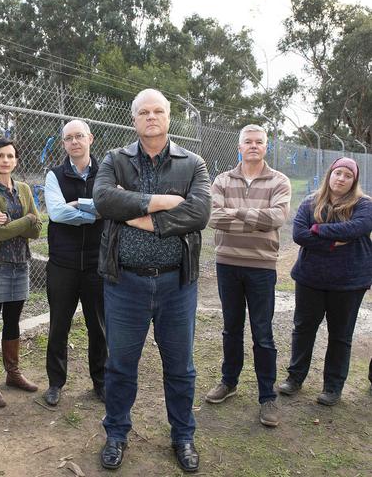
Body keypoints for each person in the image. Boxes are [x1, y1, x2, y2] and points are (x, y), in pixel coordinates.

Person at [93, 88, 211, 472]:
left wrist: (138, 212)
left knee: (181, 367)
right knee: (121, 365)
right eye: (143, 112)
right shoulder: (115, 159)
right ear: (134, 119)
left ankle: (183, 436)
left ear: (169, 116)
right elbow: (104, 200)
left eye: (158, 110)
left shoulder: (192, 163)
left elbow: (199, 214)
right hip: (124, 284)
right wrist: (161, 201)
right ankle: (116, 434)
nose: (151, 117)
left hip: (177, 285)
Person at [204, 124, 291, 428]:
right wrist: (255, 219)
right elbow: (212, 216)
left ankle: (267, 395)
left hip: (262, 266)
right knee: (231, 328)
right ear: (238, 146)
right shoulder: (222, 180)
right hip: (227, 264)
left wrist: (235, 213)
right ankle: (229, 382)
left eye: (259, 142)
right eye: (248, 142)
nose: (253, 146)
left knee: (262, 333)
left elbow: (277, 218)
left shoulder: (279, 181)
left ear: (266, 146)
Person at [278, 157, 372, 406]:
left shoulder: (364, 204)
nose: (341, 178)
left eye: (347, 175)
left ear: (354, 181)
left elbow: (358, 228)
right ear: (329, 174)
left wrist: (318, 230)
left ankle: (333, 386)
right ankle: (295, 378)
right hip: (311, 278)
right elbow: (299, 234)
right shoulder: (311, 202)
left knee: (341, 335)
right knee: (303, 329)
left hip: (349, 282)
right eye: (337, 173)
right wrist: (333, 242)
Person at [0, 138, 42, 407]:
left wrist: (19, 222)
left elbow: (37, 232)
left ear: (16, 161)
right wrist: (27, 219)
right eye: (0, 155)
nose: (5, 160)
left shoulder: (24, 189)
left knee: (13, 320)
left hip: (20, 264)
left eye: (10, 156)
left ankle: (13, 373)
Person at [43, 119, 106, 407]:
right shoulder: (54, 176)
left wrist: (76, 207)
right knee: (59, 325)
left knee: (99, 326)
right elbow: (56, 214)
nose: (74, 142)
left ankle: (101, 381)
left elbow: (111, 206)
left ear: (90, 138)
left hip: (97, 263)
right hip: (63, 264)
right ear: (64, 143)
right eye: (69, 138)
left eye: (79, 136)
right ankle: (56, 383)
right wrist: (94, 210)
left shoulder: (106, 173)